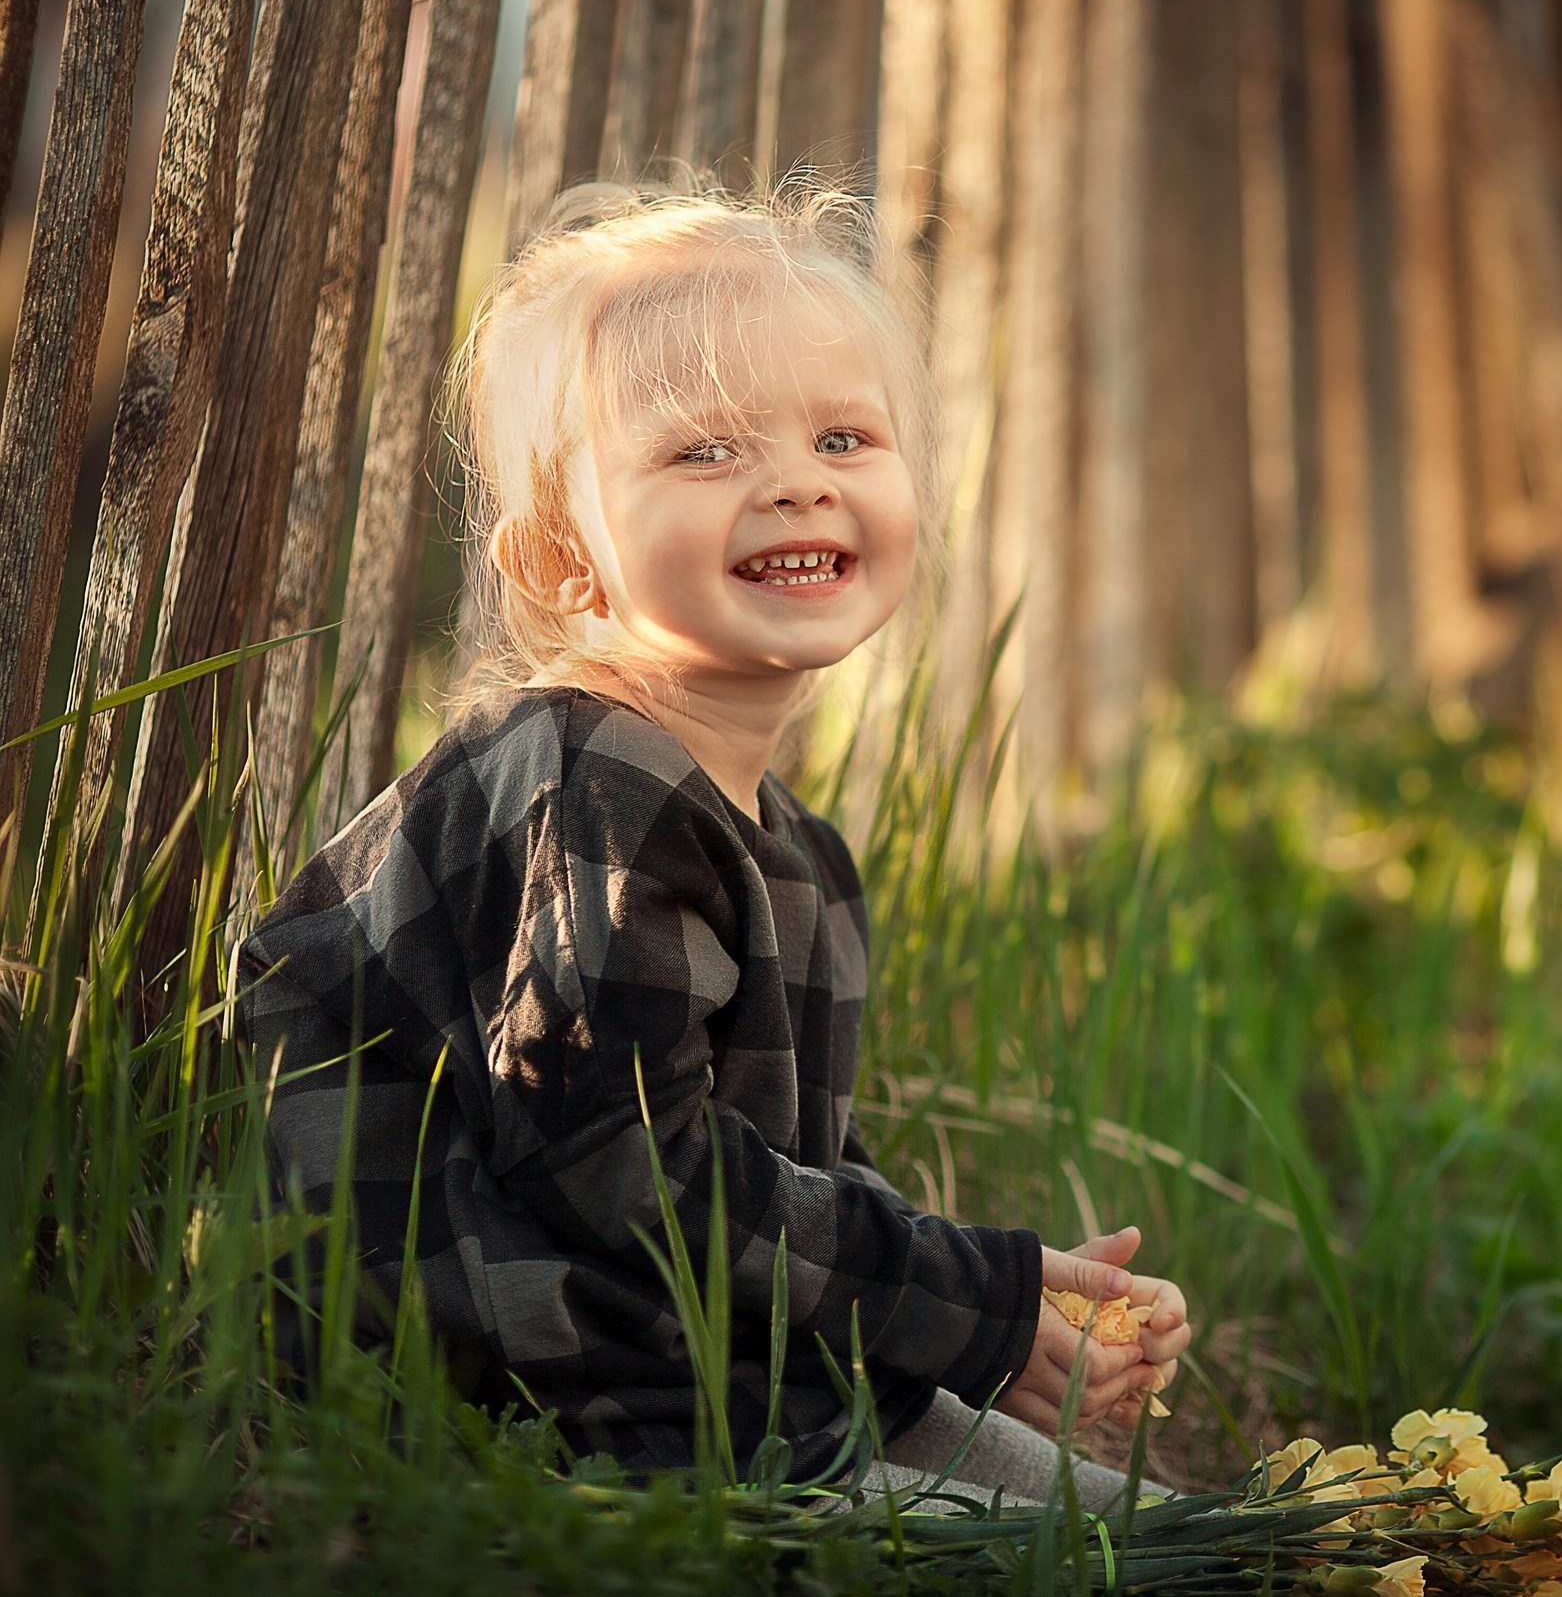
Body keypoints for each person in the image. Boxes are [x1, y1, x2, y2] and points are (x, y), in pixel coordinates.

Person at [239, 183, 1189, 1505]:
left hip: (695, 1371)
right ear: (566, 564)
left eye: (843, 435)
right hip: (530, 1395)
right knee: (1056, 1547)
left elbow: (776, 1179)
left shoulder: (797, 848)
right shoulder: (593, 782)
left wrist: (980, 1318)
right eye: (707, 452)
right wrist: (961, 1299)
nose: (796, 479)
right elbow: (624, 1163)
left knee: (1156, 1530)